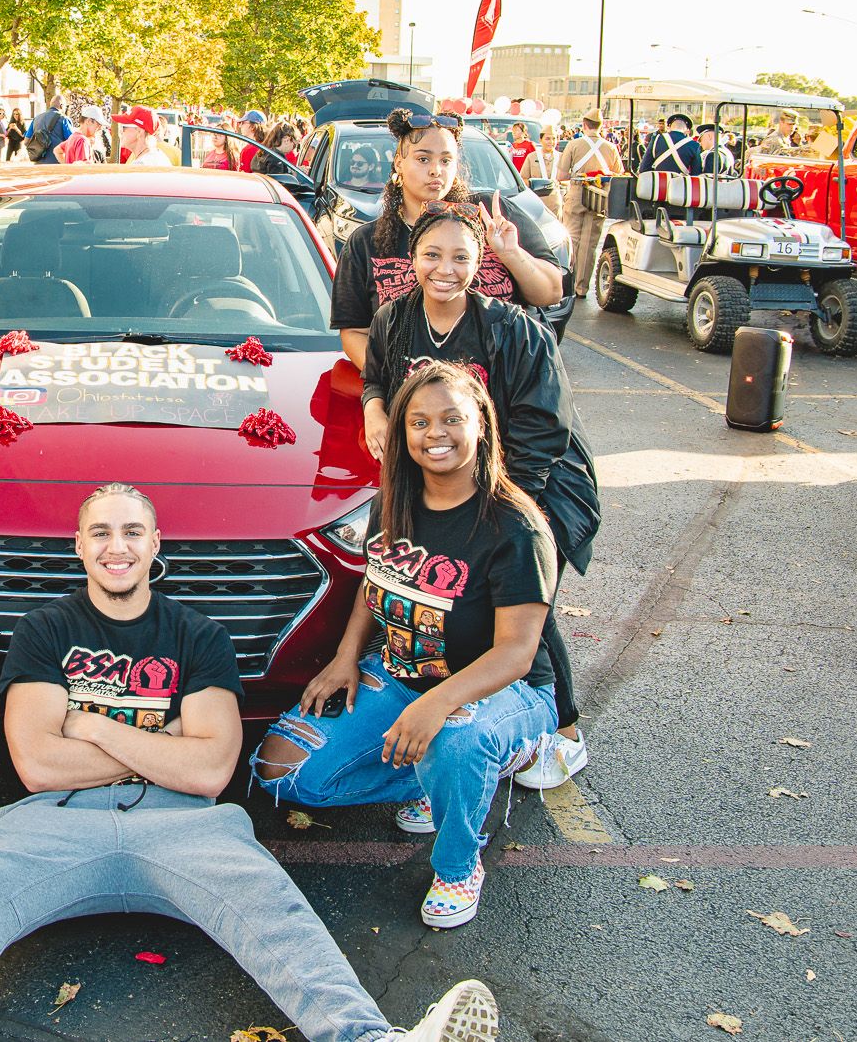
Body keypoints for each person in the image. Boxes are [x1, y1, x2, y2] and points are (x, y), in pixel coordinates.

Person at [0, 481, 503, 1042]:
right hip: (53, 822)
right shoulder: (45, 630)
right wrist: (159, 745)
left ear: (153, 545)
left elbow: (210, 772)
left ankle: (374, 1040)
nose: (117, 545)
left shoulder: (196, 635)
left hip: (186, 826)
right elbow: (38, 763)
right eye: (101, 531)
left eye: (133, 530)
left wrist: (90, 722)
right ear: (80, 546)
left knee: (276, 910)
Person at [253, 362, 562, 931]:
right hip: (399, 673)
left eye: (452, 419)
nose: (434, 433)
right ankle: (446, 776)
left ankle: (458, 864)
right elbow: (376, 585)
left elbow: (517, 653)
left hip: (503, 689)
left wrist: (436, 704)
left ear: (482, 426)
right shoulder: (394, 502)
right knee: (285, 773)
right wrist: (346, 657)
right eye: (418, 422)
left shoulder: (516, 528)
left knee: (460, 736)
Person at [349, 204, 601, 788]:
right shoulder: (394, 319)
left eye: (461, 256)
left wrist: (505, 511)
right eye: (432, 255)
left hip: (536, 478)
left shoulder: (513, 330)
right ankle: (463, 706)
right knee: (446, 588)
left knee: (523, 588)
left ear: (479, 261)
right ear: (410, 259)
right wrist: (374, 407)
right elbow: (378, 375)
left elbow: (543, 429)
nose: (446, 268)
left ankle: (561, 731)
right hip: (449, 474)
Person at [331, 108, 564, 371]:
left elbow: (551, 292)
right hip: (419, 404)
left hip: (506, 394)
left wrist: (510, 254)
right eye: (423, 159)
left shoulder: (491, 215)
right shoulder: (367, 241)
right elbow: (354, 333)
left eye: (445, 160)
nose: (435, 171)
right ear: (399, 163)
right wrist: (396, 381)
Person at [553, 110, 624, 299]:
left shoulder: (574, 144)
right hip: (599, 196)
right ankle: (581, 288)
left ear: (584, 124)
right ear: (600, 126)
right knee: (589, 244)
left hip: (577, 193)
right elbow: (619, 175)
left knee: (571, 239)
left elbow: (561, 176)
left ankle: (567, 283)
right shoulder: (611, 148)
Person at [637, 113, 702, 176]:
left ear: (669, 127)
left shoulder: (656, 139)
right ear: (687, 130)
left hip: (658, 184)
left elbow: (644, 168)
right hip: (680, 185)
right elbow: (696, 174)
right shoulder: (694, 145)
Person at [25, 93, 69, 165]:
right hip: (57, 163)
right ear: (61, 106)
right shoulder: (64, 119)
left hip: (38, 162)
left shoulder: (36, 118)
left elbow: (26, 141)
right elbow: (72, 142)